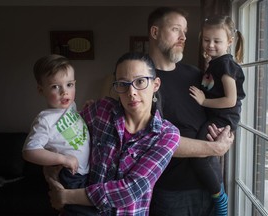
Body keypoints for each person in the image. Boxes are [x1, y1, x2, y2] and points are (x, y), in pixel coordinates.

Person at [45, 52, 181, 215]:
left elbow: (131, 190)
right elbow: (59, 135)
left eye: (140, 82)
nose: (131, 92)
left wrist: (66, 196)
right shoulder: (101, 110)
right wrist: (51, 172)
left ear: (155, 84)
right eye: (123, 84)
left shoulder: (167, 135)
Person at [147, 7, 235, 216]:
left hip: (211, 183)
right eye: (176, 29)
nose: (184, 37)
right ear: (155, 32)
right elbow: (153, 140)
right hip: (171, 192)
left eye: (185, 31)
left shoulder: (196, 74)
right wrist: (214, 148)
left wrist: (225, 135)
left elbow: (225, 111)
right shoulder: (143, 80)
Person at [188, 15, 246, 215]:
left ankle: (219, 196)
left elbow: (230, 99)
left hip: (224, 118)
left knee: (199, 156)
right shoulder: (216, 62)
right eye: (206, 40)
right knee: (205, 155)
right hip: (216, 116)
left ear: (229, 42)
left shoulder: (226, 64)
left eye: (217, 41)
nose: (210, 45)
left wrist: (204, 101)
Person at [22, 54, 91, 215]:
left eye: (69, 84)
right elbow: (29, 151)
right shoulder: (45, 119)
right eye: (55, 86)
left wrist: (84, 112)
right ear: (41, 90)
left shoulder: (71, 107)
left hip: (86, 171)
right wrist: (63, 159)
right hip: (71, 176)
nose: (64, 92)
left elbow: (68, 128)